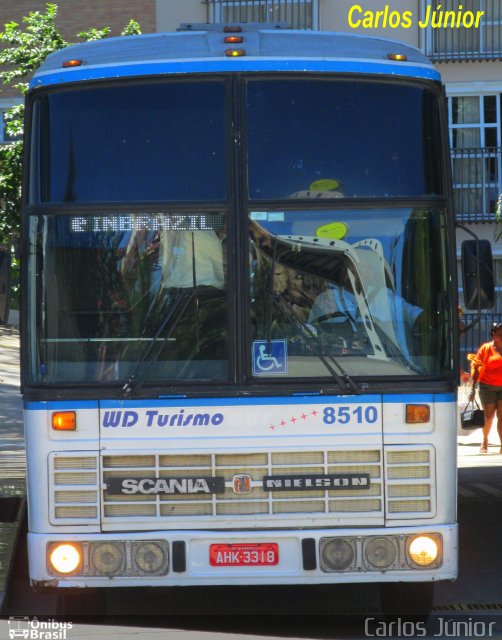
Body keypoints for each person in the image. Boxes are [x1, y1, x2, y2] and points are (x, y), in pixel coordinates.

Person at [468, 322, 502, 453]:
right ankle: (485, 440)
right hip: (487, 386)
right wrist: (472, 388)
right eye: (500, 334)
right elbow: (476, 368)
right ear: (493, 334)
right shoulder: (485, 349)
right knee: (488, 417)